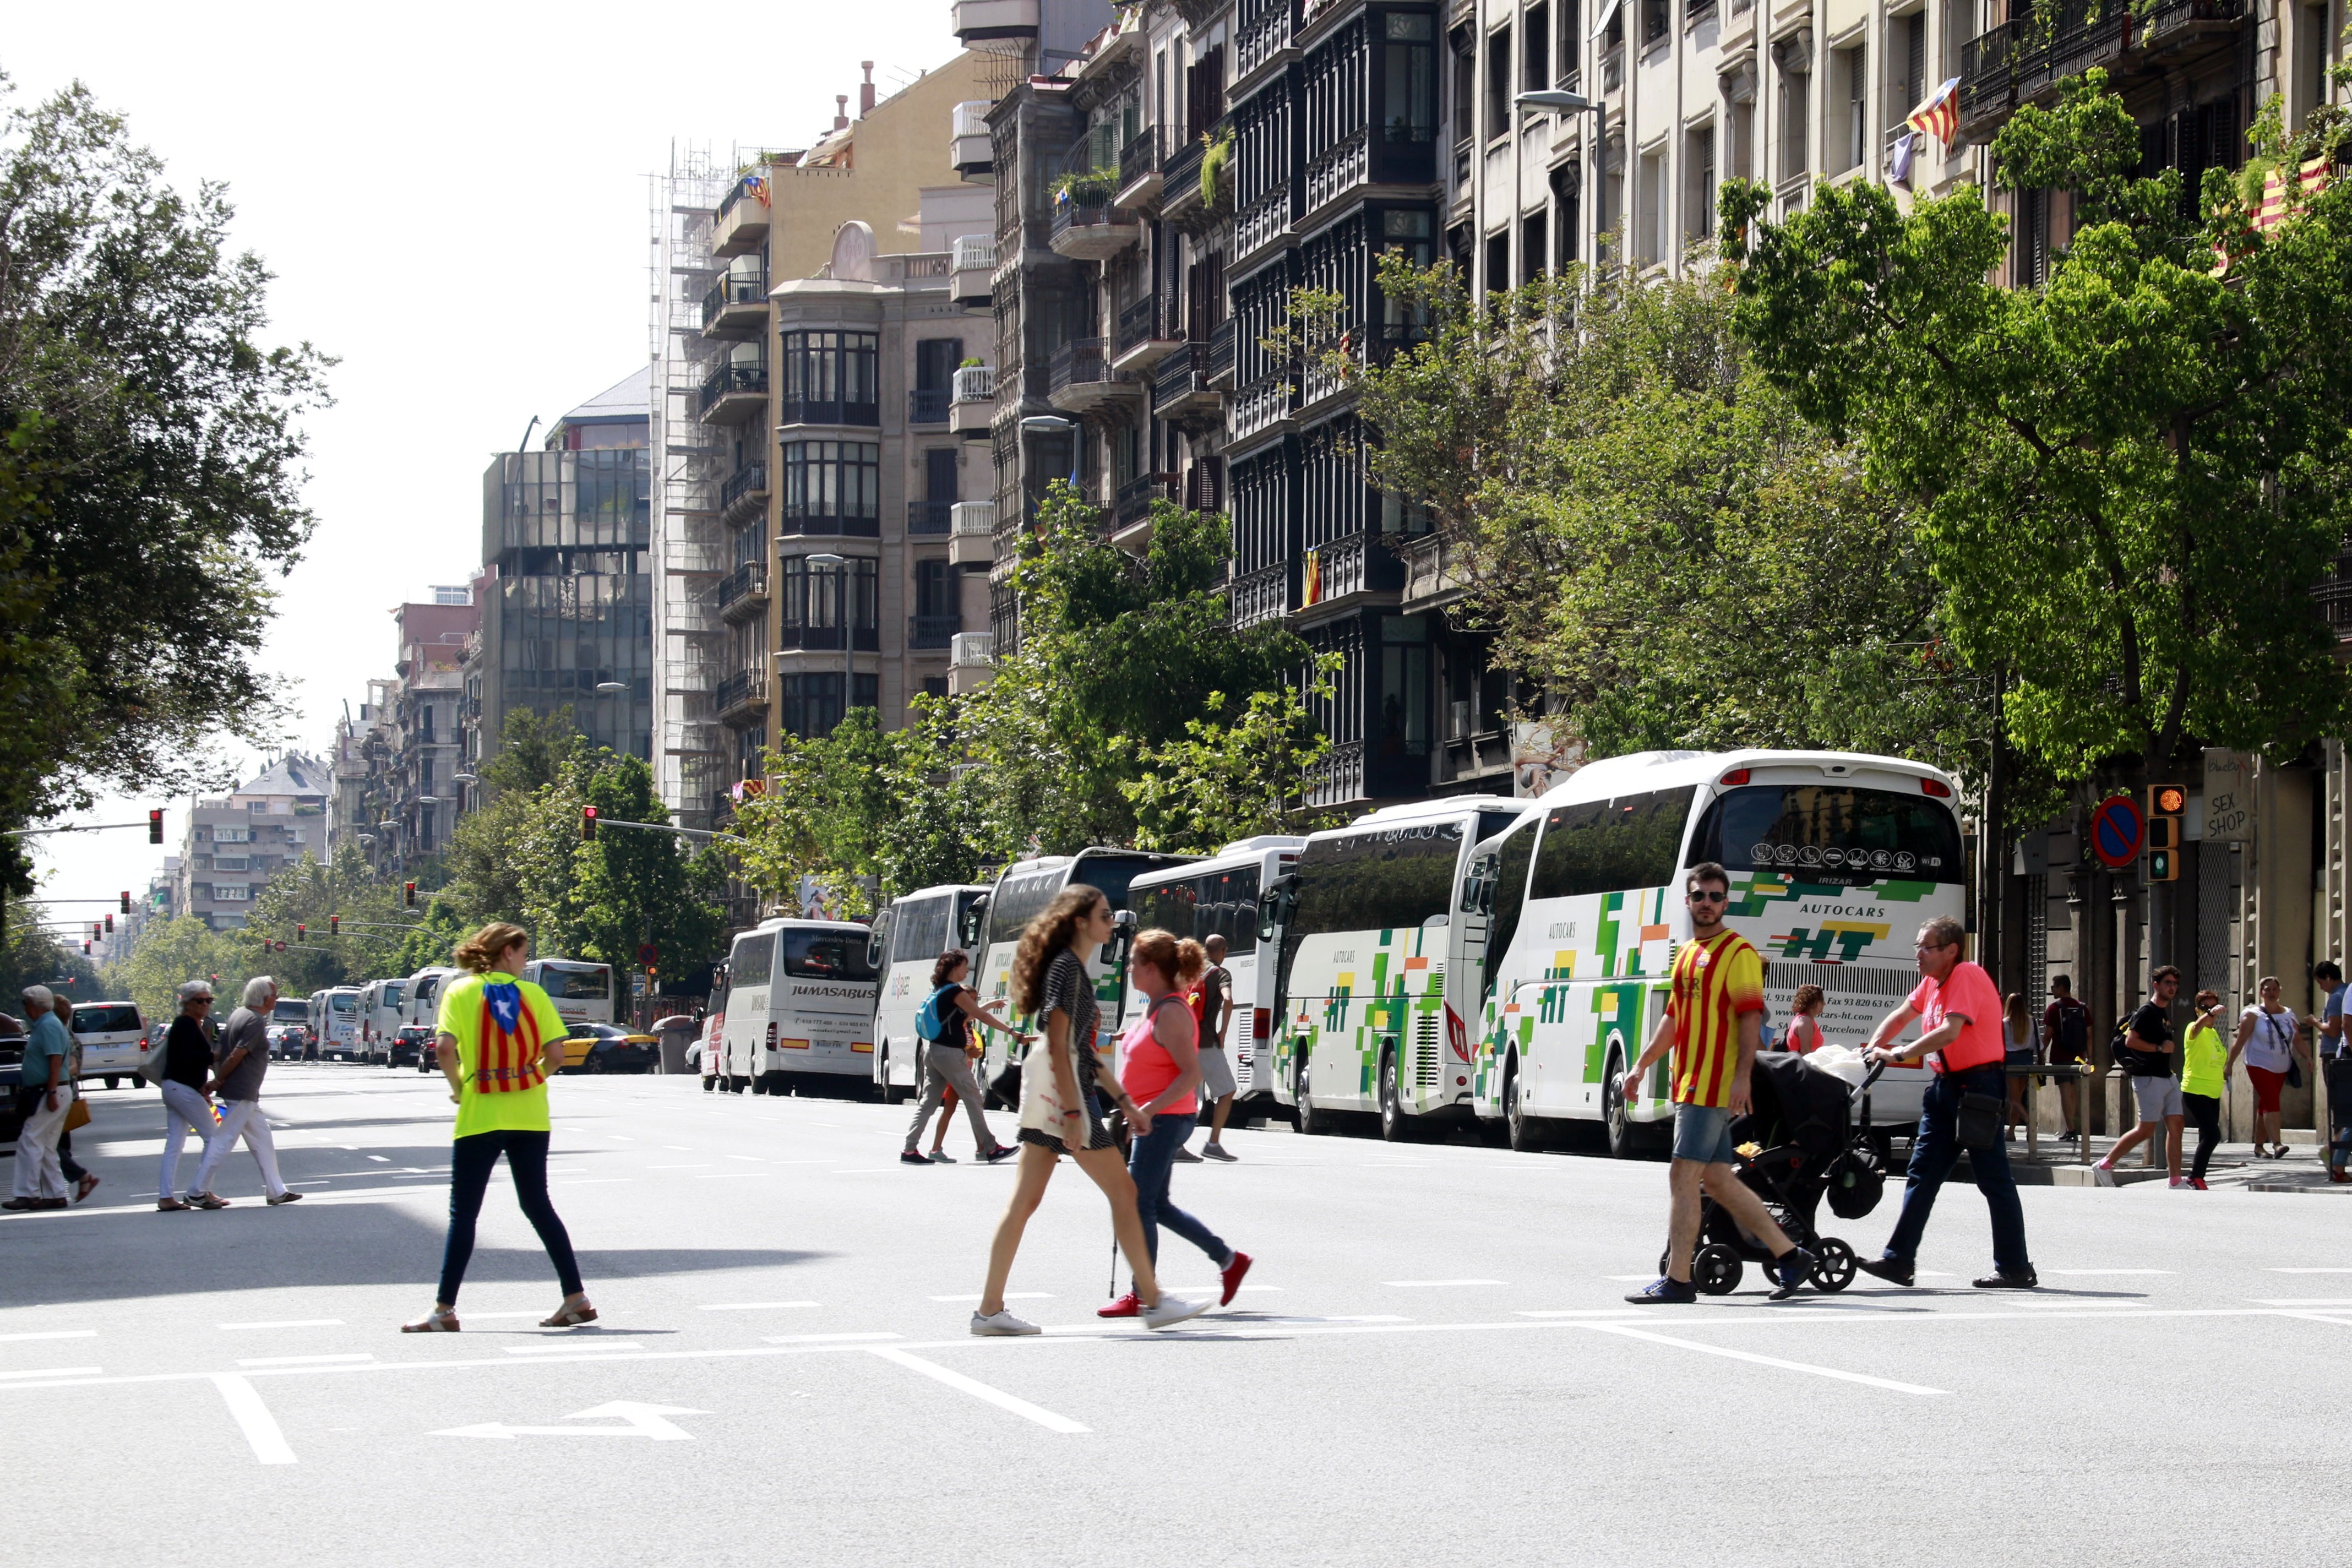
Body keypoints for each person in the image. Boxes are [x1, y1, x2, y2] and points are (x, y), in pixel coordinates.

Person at [970, 886, 1208, 1335]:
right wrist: (1077, 1114)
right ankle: (1153, 1300)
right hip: (1064, 1096)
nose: (1111, 923)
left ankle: (988, 1310)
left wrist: (1123, 1103)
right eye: (1104, 915)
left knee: (1025, 1202)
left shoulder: (1072, 969)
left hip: (1054, 1092)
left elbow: (1081, 1050)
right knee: (1125, 1193)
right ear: (1081, 922)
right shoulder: (1069, 971)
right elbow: (1061, 1044)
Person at [1622, 863, 1816, 1304]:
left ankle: (1678, 1280)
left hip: (1714, 1084)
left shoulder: (1739, 953)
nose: (1706, 903)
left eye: (1714, 896)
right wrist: (1640, 1066)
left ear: (1726, 903)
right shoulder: (1688, 952)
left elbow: (1752, 1018)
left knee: (1682, 1176)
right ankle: (1791, 1257)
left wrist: (1743, 1077)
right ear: (1688, 901)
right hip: (1689, 1081)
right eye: (1699, 896)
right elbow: (1674, 1018)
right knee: (1719, 1181)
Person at [402, 922, 594, 1332]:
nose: (526, 962)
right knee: (538, 1206)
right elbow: (557, 1054)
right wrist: (531, 1079)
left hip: (480, 1115)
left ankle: (444, 1309)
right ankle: (575, 1297)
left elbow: (444, 1048)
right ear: (507, 952)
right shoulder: (535, 995)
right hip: (530, 1117)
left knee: (464, 1213)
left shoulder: (460, 991)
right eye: (524, 953)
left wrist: (459, 1088)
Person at [1858, 914, 2037, 1289]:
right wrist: (1875, 1046)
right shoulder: (1931, 983)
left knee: (1994, 1181)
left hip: (1978, 1087)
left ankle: (2015, 1267)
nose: (1918, 954)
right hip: (1945, 1087)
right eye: (1918, 946)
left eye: (1926, 946)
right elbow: (1902, 1014)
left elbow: (1949, 1031)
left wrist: (1900, 1052)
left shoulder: (1967, 975)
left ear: (1951, 950)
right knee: (1921, 1176)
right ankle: (1899, 1260)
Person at [1098, 930, 1253, 1319]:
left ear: (1152, 969)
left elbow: (1190, 1075)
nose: (1129, 969)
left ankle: (1145, 1293)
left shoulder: (1172, 1011)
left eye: (1134, 963)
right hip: (1153, 1119)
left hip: (1166, 1119)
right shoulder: (1154, 1007)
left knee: (1137, 1203)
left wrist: (1145, 1111)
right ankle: (1229, 1260)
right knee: (1156, 1204)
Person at [901, 951, 1023, 1166]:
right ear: (954, 966)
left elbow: (969, 1016)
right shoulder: (955, 991)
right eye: (965, 966)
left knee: (929, 1102)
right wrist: (1011, 1031)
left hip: (934, 1051)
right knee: (974, 1098)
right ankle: (991, 1148)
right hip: (949, 1054)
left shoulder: (939, 990)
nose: (967, 971)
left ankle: (909, 1150)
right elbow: (980, 1015)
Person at [188, 976, 300, 1208]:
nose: (276, 1000)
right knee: (224, 1140)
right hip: (241, 1089)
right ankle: (197, 1191)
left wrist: (218, 1080)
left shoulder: (239, 1014)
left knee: (263, 1139)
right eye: (274, 996)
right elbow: (236, 1054)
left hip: (243, 1091)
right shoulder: (255, 1021)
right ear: (264, 998)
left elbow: (223, 1049)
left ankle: (276, 1190)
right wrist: (217, 1081)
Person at [2098, 967, 2185, 1185]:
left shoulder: (2163, 1013)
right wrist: (2158, 1049)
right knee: (2146, 1129)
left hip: (2167, 1077)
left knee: (2177, 1126)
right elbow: (2131, 1041)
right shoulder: (2147, 1012)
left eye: (2175, 984)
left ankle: (2175, 1180)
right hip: (2149, 1078)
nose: (2172, 987)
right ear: (2156, 985)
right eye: (2168, 983)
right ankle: (2104, 1165)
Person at [4, 987, 74, 1211]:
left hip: (49, 1091)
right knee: (46, 1145)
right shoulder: (49, 1024)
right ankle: (55, 1194)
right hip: (53, 1090)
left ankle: (28, 1194)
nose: (24, 1008)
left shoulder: (48, 1026)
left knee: (30, 1140)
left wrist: (51, 1091)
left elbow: (55, 1060)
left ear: (34, 1005)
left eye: (25, 1003)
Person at [158, 981, 226, 1211]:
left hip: (176, 1088)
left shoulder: (195, 1024)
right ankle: (200, 1191)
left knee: (175, 1144)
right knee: (214, 1138)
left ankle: (167, 1197)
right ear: (187, 1003)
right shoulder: (185, 1024)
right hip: (182, 1088)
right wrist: (214, 1055)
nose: (206, 1004)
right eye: (200, 1000)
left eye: (209, 1000)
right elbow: (190, 1058)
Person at [2226, 976, 2307, 1161]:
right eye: (2267, 990)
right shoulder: (2253, 1015)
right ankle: (2277, 1144)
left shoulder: (2288, 1014)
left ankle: (2259, 1146)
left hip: (2281, 1066)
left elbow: (2298, 1039)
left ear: (2280, 991)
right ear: (2261, 993)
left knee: (2265, 1104)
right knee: (2272, 1101)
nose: (2271, 993)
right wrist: (2229, 1065)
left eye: (2274, 989)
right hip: (2258, 1064)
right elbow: (2239, 1042)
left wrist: (2308, 1057)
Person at [1193, 933, 1242, 1161]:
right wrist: (1223, 1032)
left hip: (1183, 1040)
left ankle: (1175, 1144)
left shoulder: (1193, 969)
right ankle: (1213, 1143)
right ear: (1223, 951)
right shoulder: (1221, 973)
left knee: (1185, 1096)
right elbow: (1228, 999)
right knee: (1227, 1090)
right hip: (1204, 1042)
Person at [2180, 988, 2229, 1191]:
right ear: (2197, 1010)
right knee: (2213, 1135)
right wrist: (2209, 1014)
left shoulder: (2214, 1033)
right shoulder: (2194, 1028)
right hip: (2195, 1089)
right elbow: (2197, 1029)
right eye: (2205, 1008)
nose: (2210, 1011)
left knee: (2205, 1136)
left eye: (2213, 1007)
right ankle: (2195, 1176)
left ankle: (2199, 1178)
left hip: (2213, 1091)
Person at [2044, 975, 2093, 1141]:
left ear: (2062, 988)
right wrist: (2089, 1057)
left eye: (2053, 987)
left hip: (2060, 1055)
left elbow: (2048, 1034)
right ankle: (2073, 1127)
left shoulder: (2053, 1009)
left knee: (2065, 1091)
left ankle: (2071, 1129)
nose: (2052, 991)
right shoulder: (2082, 1008)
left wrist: (2041, 1052)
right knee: (2072, 1092)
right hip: (2078, 1056)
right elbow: (2089, 1035)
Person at [2315, 961, 2352, 1182]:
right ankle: (2336, 1160)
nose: (2321, 987)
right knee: (2348, 1113)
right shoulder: (2344, 994)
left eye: (2321, 982)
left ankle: (2335, 1156)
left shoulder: (2340, 994)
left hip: (2339, 1056)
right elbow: (2345, 1026)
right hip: (2344, 1058)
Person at [2002, 992, 2035, 1139]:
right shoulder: (2031, 1022)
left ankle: (2030, 1121)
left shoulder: (2004, 1024)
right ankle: (2011, 1132)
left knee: (2013, 1099)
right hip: (2027, 1059)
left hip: (2012, 1060)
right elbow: (2037, 1044)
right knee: (2018, 1098)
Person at [1783, 984, 1826, 1055]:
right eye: (1822, 1000)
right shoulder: (1806, 1021)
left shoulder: (1802, 1018)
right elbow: (1806, 1053)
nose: (1824, 1004)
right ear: (1813, 1003)